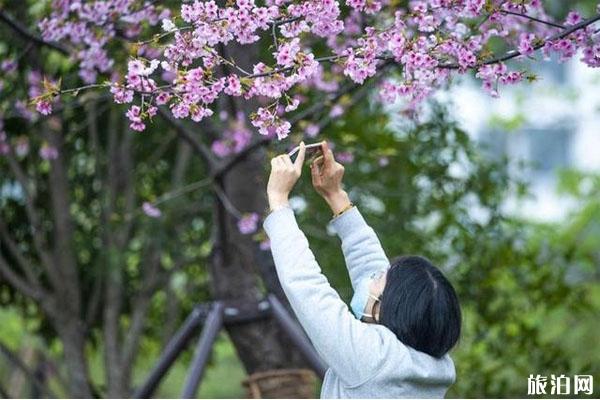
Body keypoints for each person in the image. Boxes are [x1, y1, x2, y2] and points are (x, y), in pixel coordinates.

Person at [263, 140, 462, 398]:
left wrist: (278, 202)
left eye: (380, 278)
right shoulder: (431, 364)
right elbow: (371, 264)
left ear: (386, 309)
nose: (373, 276)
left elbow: (308, 288)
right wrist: (336, 197)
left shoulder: (371, 362)